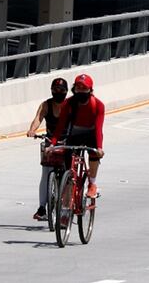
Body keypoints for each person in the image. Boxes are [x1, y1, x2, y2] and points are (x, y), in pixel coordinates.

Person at [48, 74, 105, 200]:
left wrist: (99, 148)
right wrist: (52, 144)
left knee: (94, 154)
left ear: (90, 90)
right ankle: (67, 198)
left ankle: (92, 183)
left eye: (84, 89)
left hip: (91, 133)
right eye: (78, 88)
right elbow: (60, 126)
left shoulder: (98, 105)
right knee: (68, 162)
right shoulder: (68, 103)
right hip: (75, 133)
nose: (81, 91)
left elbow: (99, 129)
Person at [26, 77, 68, 221]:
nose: (58, 92)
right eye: (56, 90)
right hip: (51, 142)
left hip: (67, 142)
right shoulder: (46, 105)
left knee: (69, 174)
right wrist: (32, 130)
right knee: (46, 173)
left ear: (66, 92)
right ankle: (42, 208)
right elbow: (38, 118)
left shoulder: (69, 105)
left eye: (61, 90)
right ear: (51, 90)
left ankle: (66, 207)